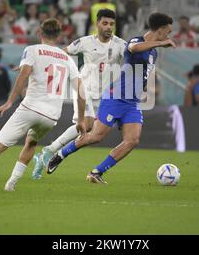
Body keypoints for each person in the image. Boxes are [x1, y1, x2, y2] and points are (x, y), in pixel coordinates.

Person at [46, 13, 176, 184]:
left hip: (132, 102)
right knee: (95, 136)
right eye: (168, 32)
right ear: (159, 31)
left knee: (132, 140)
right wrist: (161, 43)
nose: (169, 36)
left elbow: (144, 73)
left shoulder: (153, 53)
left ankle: (96, 172)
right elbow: (133, 49)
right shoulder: (136, 41)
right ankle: (60, 154)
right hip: (116, 97)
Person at [0, 19, 86, 191]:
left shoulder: (32, 50)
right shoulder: (67, 58)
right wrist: (80, 119)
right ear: (59, 36)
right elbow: (81, 92)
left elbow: (24, 75)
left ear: (39, 34)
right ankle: (11, 184)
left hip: (30, 108)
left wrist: (9, 101)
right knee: (31, 143)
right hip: (51, 116)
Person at [31, 9, 126, 179]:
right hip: (85, 89)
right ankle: (51, 152)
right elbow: (61, 53)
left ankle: (49, 151)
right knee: (87, 125)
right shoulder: (85, 42)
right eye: (105, 23)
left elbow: (133, 52)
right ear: (97, 24)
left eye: (112, 24)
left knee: (87, 130)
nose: (108, 27)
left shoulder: (120, 44)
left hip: (106, 95)